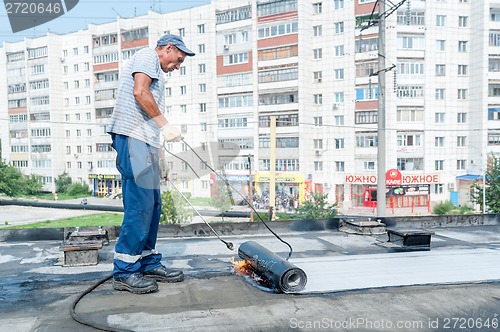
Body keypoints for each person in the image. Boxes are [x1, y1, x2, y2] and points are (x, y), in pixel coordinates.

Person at [106, 34, 195, 294]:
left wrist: (162, 158)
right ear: (168, 48)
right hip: (132, 137)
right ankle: (124, 272)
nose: (178, 65)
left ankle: (146, 263)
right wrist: (166, 125)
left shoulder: (158, 73)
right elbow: (139, 92)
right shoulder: (147, 56)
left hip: (144, 141)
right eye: (178, 59)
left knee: (153, 205)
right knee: (140, 204)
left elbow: (151, 121)